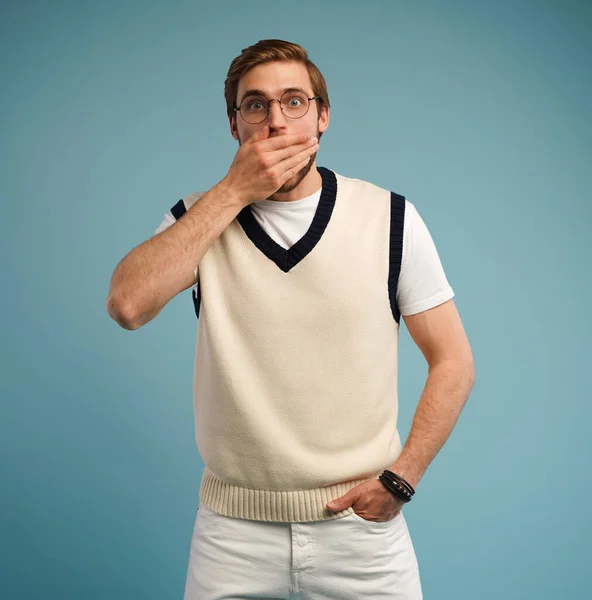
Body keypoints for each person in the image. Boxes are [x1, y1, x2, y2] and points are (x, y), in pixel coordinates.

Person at [107, 39, 475, 600]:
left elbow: (453, 361)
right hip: (231, 534)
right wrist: (232, 192)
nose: (275, 121)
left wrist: (403, 478)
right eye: (255, 106)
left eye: (294, 101)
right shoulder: (196, 219)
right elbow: (128, 306)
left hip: (362, 532)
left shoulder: (389, 217)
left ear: (323, 117)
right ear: (235, 125)